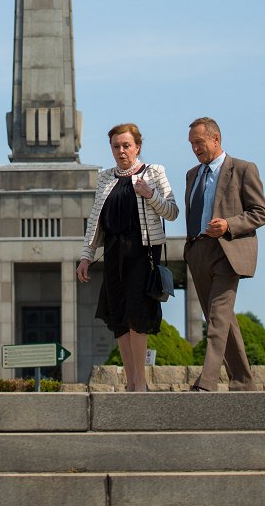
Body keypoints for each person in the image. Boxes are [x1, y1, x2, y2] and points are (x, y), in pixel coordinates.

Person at [76, 123, 178, 392]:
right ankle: (130, 381)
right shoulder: (105, 177)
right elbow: (94, 222)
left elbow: (172, 211)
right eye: (116, 146)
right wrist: (86, 256)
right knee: (119, 317)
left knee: (137, 315)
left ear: (137, 147)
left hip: (142, 252)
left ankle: (139, 381)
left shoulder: (154, 172)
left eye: (126, 145)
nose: (121, 151)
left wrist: (150, 194)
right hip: (113, 252)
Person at [184, 117, 265, 391]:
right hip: (198, 251)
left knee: (218, 318)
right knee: (220, 319)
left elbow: (261, 212)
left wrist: (228, 225)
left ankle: (207, 381)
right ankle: (243, 381)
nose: (195, 148)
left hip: (228, 251)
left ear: (216, 139)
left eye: (199, 142)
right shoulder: (191, 175)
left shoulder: (244, 169)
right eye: (191, 144)